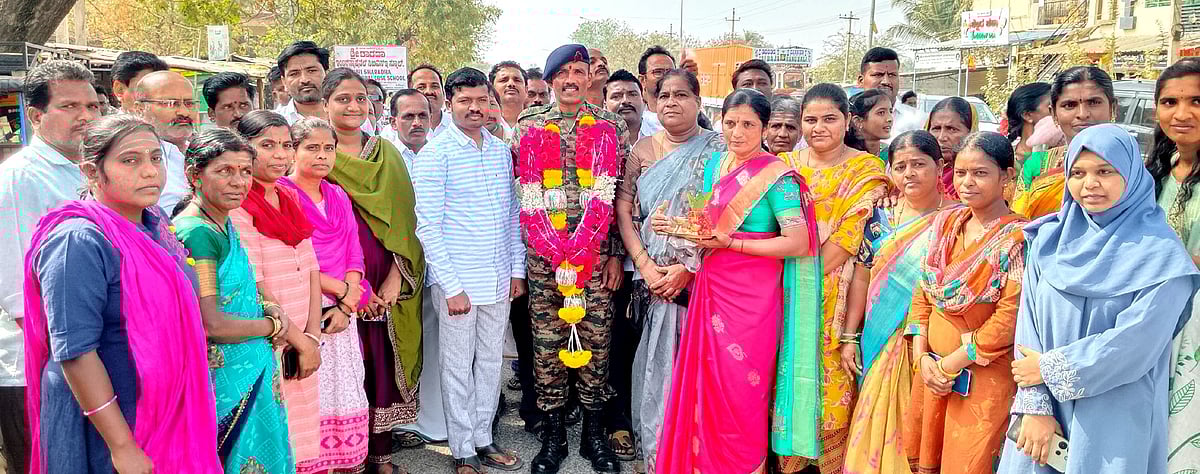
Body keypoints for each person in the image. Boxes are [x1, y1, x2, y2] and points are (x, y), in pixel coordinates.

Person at [22, 114, 220, 474]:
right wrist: (122, 445)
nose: (149, 171)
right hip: (110, 420)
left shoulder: (155, 223)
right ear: (92, 172)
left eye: (155, 158)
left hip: (167, 410)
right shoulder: (77, 241)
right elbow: (76, 351)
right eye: (131, 160)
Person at [1000, 123, 1200, 472]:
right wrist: (1035, 404)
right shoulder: (1048, 241)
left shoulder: (1163, 258)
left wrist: (1047, 369)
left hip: (1113, 417)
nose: (1090, 184)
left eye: (1105, 171)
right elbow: (1027, 326)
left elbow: (1134, 345)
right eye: (1078, 172)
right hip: (1042, 416)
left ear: (1132, 175)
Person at [653, 88, 819, 472]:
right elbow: (708, 227)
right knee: (707, 384)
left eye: (748, 124)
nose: (737, 132)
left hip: (754, 295)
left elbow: (798, 242)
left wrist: (733, 243)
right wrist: (675, 226)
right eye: (730, 123)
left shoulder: (778, 177)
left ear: (763, 127)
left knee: (743, 387)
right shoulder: (716, 165)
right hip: (713, 285)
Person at [513, 44, 629, 474]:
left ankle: (593, 436)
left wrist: (615, 255)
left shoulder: (611, 125)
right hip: (544, 256)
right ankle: (554, 436)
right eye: (562, 73)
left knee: (597, 343)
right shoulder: (528, 126)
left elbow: (617, 198)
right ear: (549, 80)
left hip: (595, 258)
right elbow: (523, 195)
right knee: (547, 345)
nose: (571, 79)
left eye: (579, 71)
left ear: (589, 77)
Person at [412, 66, 526, 474]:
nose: (475, 108)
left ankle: (483, 437)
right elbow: (427, 225)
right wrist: (451, 285)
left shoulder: (498, 152)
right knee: (457, 365)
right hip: (457, 283)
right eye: (465, 101)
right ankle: (462, 449)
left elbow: (512, 216)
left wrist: (517, 271)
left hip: (497, 278)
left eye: (482, 100)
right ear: (449, 102)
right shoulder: (435, 154)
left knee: (491, 362)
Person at [615, 69, 725, 472]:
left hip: (702, 279)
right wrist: (644, 263)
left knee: (698, 368)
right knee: (655, 365)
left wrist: (689, 268)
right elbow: (624, 209)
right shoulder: (642, 149)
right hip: (652, 279)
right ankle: (660, 451)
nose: (671, 103)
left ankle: (698, 451)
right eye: (663, 95)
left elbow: (727, 216)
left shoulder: (720, 149)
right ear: (653, 101)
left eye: (682, 95)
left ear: (698, 101)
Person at [777, 83, 889, 473]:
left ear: (847, 121)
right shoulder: (785, 166)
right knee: (787, 377)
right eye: (810, 119)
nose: (818, 127)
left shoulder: (866, 170)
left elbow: (850, 236)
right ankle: (790, 460)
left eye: (829, 119)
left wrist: (803, 278)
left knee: (834, 381)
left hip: (838, 291)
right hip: (784, 290)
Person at [174, 128, 296, 473]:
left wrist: (269, 308)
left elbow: (240, 292)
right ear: (194, 176)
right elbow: (213, 323)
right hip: (227, 378)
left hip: (249, 363)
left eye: (245, 171)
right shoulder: (197, 232)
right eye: (224, 171)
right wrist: (274, 325)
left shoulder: (220, 223)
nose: (239, 181)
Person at [322, 67, 425, 474]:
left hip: (387, 277)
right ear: (325, 103)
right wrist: (352, 289)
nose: (353, 106)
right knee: (340, 369)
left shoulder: (387, 154)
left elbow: (406, 222)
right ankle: (342, 456)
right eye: (343, 98)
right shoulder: (317, 154)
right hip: (336, 281)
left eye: (360, 98)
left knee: (378, 364)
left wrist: (396, 277)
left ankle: (380, 455)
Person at [903, 131, 1026, 474]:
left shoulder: (1018, 239)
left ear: (1007, 176)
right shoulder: (946, 224)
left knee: (969, 460)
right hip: (932, 372)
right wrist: (922, 359)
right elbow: (923, 292)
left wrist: (949, 364)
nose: (967, 182)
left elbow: (1008, 319)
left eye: (980, 173)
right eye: (960, 173)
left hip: (982, 375)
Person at [0, 61, 99, 473]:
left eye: (94, 106)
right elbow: (12, 285)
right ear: (36, 116)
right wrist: (61, 356)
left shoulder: (97, 170)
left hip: (88, 356)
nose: (86, 117)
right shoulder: (19, 178)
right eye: (70, 106)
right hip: (35, 365)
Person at [841, 131, 957, 474]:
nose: (909, 173)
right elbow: (862, 274)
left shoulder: (957, 219)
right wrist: (850, 335)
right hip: (879, 335)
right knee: (875, 417)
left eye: (919, 164)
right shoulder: (880, 217)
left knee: (918, 424)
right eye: (900, 166)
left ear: (939, 167)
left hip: (931, 340)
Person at [228, 110, 323, 470]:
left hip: (303, 335)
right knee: (276, 438)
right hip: (271, 338)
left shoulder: (289, 195)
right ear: (243, 148)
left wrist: (312, 337)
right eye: (266, 145)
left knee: (304, 437)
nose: (280, 155)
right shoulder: (238, 205)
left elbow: (312, 267)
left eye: (286, 145)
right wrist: (298, 340)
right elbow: (257, 283)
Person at [278, 117, 371, 471]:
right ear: (294, 151)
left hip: (341, 314)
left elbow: (353, 251)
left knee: (341, 393)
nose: (322, 156)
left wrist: (347, 303)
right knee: (307, 398)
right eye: (311, 148)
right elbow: (301, 261)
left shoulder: (337, 194)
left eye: (328, 148)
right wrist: (346, 291)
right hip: (305, 310)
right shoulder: (284, 196)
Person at [1148, 58, 1200, 469]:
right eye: (1170, 101)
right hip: (1160, 323)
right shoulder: (1153, 175)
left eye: (1197, 100)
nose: (1181, 114)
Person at [1013, 67, 1116, 219]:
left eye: (1093, 102)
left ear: (1113, 108)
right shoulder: (1037, 165)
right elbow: (1021, 225)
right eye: (1069, 105)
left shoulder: (1130, 166)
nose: (1082, 114)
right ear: (1054, 114)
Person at [130, 70, 195, 218]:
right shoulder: (132, 157)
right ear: (140, 109)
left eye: (189, 103)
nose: (184, 112)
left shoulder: (202, 150)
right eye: (171, 104)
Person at [857, 47, 923, 139]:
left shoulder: (918, 119)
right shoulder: (845, 118)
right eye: (878, 75)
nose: (886, 81)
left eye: (892, 75)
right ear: (861, 81)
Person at [926, 96, 978, 201]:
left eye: (951, 129)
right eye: (936, 128)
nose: (941, 137)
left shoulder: (980, 174)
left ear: (971, 132)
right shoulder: (916, 169)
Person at [278, 41, 330, 124]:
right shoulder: (273, 123)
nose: (304, 80)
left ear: (327, 74)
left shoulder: (351, 117)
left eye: (311, 71)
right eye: (294, 74)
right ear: (284, 82)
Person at [1005, 82, 1052, 164]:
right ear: (1027, 115)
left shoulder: (1065, 152)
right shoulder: (1006, 159)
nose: (1059, 112)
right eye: (1051, 106)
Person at [388, 88, 433, 169]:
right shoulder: (384, 158)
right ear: (393, 122)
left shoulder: (443, 154)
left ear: (430, 119)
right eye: (409, 116)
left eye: (422, 116)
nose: (417, 123)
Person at [637, 46, 675, 135]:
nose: (666, 77)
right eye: (658, 72)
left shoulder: (691, 121)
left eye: (671, 72)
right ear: (642, 80)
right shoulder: (635, 124)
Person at [604, 69, 647, 144]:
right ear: (605, 104)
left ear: (643, 100)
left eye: (632, 94)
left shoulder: (661, 130)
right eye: (616, 96)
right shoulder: (594, 139)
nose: (625, 101)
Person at [847, 89, 894, 159]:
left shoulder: (892, 154)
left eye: (890, 111)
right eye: (881, 113)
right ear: (857, 121)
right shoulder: (845, 157)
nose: (890, 119)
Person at [410, 64, 453, 139]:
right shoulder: (393, 133)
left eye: (434, 86)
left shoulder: (458, 126)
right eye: (421, 87)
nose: (429, 92)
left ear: (443, 92)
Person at [490, 61, 528, 139]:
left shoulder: (539, 123)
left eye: (517, 80)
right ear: (491, 89)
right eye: (503, 80)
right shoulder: (482, 124)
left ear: (526, 89)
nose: (511, 84)